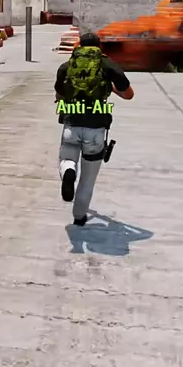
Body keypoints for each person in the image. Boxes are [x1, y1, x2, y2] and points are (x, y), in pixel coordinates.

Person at [54, 32, 134, 226]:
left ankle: (68, 171)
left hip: (71, 124)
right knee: (88, 179)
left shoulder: (67, 66)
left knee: (66, 159)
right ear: (99, 47)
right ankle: (79, 216)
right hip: (96, 129)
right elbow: (129, 94)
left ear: (79, 46)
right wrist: (110, 88)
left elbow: (59, 94)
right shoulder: (107, 65)